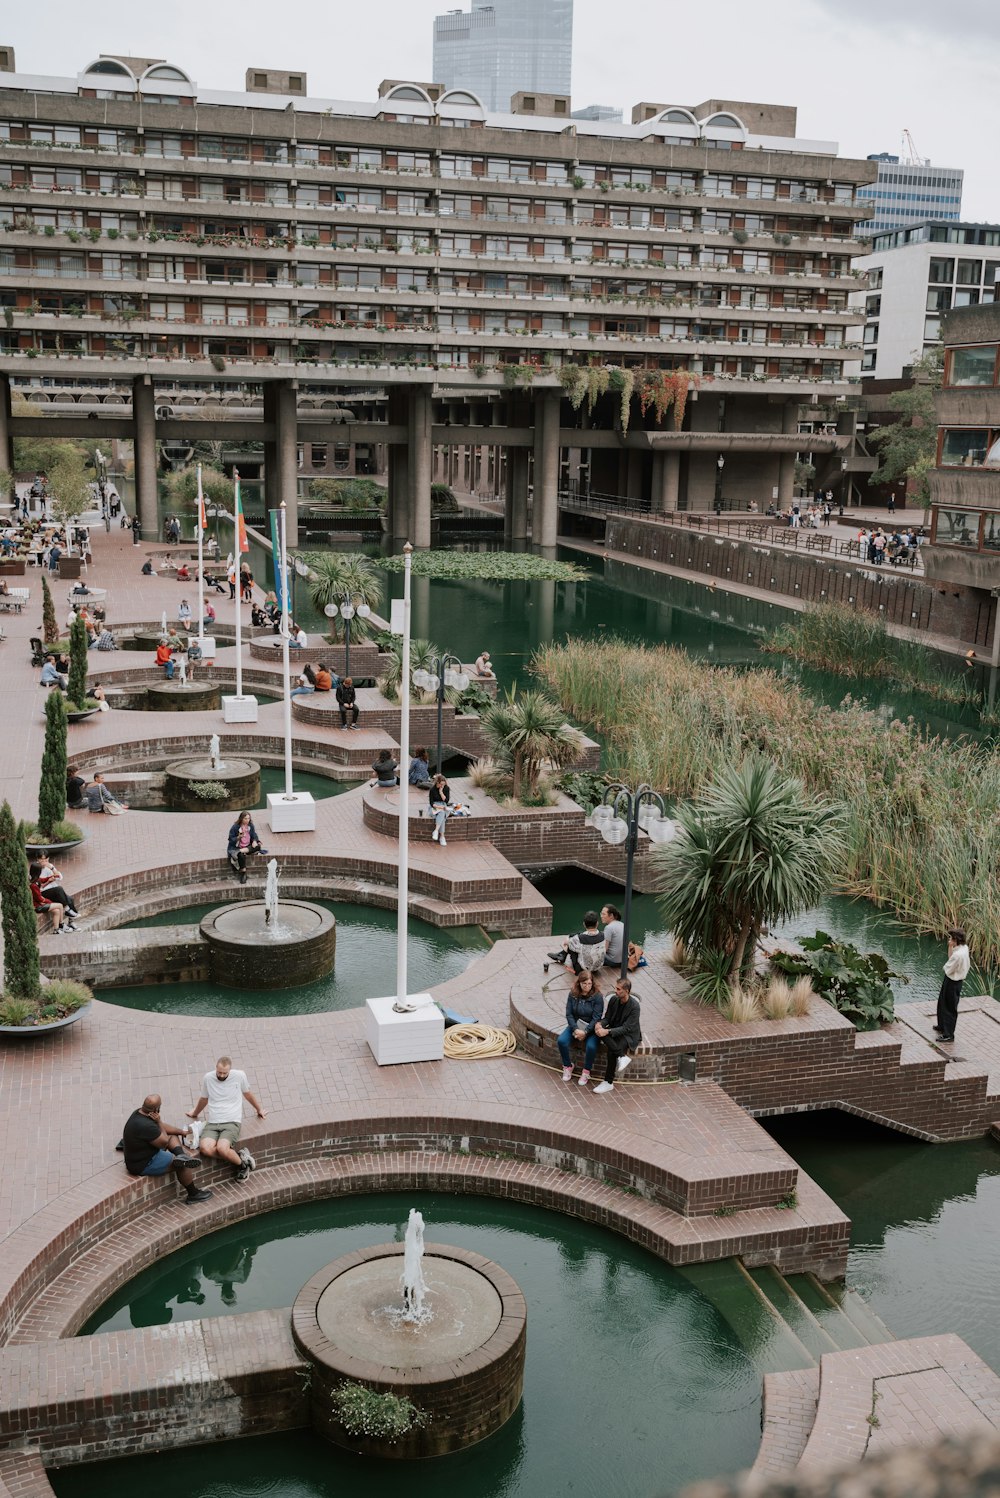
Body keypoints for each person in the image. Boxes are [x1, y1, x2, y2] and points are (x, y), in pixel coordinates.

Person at [186, 1056, 266, 1184]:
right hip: (213, 1122)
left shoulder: (239, 1076)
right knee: (205, 1148)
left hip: (231, 1121)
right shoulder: (208, 1078)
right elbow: (204, 1099)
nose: (222, 1075)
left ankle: (242, 1167)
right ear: (216, 1068)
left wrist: (259, 1109)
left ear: (230, 1070)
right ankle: (242, 1159)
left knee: (222, 1149)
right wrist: (195, 1112)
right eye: (219, 1072)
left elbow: (247, 1094)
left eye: (225, 1073)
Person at [121, 1095, 211, 1205]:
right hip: (143, 1163)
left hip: (146, 1152)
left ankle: (182, 1156)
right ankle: (193, 1194)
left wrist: (180, 1132)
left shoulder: (139, 1113)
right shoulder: (146, 1125)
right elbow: (163, 1142)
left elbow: (161, 1128)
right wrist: (159, 1121)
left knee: (173, 1136)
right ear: (156, 1109)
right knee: (182, 1165)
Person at [592, 976, 642, 1094]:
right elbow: (608, 1018)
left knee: (611, 1051)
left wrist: (607, 1031)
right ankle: (622, 1057)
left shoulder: (635, 1007)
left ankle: (608, 1083)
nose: (616, 991)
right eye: (616, 988)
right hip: (615, 1029)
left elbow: (627, 1028)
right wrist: (600, 1024)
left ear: (627, 991)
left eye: (619, 989)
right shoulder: (614, 1000)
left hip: (628, 1035)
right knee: (599, 1031)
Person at [557, 970, 605, 1087]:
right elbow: (569, 1014)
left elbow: (597, 1017)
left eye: (589, 984)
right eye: (584, 984)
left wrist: (586, 1031)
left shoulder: (597, 996)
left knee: (591, 1046)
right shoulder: (573, 994)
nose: (587, 986)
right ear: (579, 983)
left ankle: (586, 1071)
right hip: (576, 1026)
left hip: (591, 1028)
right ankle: (568, 1066)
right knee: (561, 1041)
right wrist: (575, 1029)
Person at [934, 927, 970, 1044]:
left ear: (956, 940)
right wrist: (950, 946)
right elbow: (951, 958)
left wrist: (950, 948)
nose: (950, 940)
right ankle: (942, 1025)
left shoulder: (958, 955)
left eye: (951, 939)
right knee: (943, 1003)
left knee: (949, 1008)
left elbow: (947, 967)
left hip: (953, 981)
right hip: (954, 980)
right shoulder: (964, 948)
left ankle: (948, 1034)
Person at [549, 910, 606, 976]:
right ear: (597, 923)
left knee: (571, 943)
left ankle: (562, 956)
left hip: (583, 969)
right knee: (574, 940)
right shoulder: (603, 935)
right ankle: (562, 956)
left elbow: (565, 943)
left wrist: (568, 939)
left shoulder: (579, 939)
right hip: (597, 967)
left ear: (584, 924)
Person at [227, 811, 263, 884]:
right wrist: (238, 837)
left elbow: (254, 835)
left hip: (247, 845)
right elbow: (230, 840)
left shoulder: (250, 826)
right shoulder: (235, 827)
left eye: (248, 818)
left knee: (258, 847)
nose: (247, 820)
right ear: (241, 819)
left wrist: (254, 841)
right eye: (245, 819)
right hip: (237, 846)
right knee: (241, 855)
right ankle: (243, 873)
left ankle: (239, 851)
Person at [601, 903, 624, 970]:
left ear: (611, 915)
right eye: (601, 913)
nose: (601, 916)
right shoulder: (622, 924)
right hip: (624, 960)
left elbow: (605, 949)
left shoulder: (608, 928)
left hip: (613, 961)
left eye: (603, 914)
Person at [429, 773, 450, 844]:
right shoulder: (432, 789)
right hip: (435, 806)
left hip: (443, 805)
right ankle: (442, 837)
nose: (442, 786)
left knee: (442, 813)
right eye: (441, 784)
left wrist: (441, 792)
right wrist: (439, 807)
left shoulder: (446, 788)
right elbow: (431, 803)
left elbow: (446, 801)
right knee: (442, 814)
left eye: (443, 784)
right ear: (437, 783)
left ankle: (436, 831)